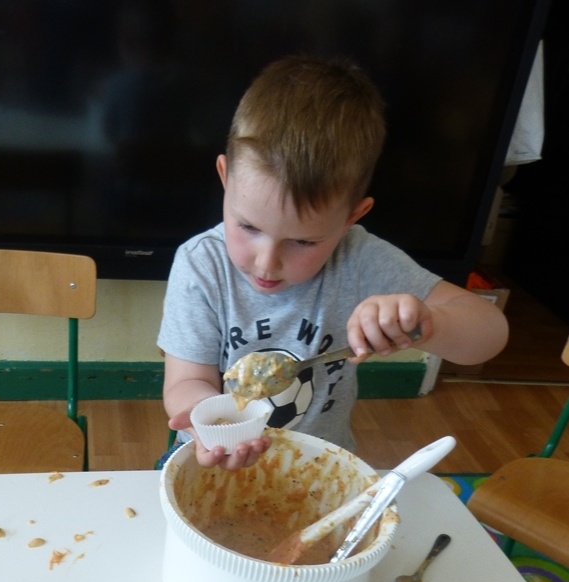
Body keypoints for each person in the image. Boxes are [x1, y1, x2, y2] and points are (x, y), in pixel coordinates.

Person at [157, 55, 508, 471]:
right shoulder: (201, 265)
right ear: (225, 176)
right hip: (208, 459)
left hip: (319, 467)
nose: (267, 263)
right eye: (248, 226)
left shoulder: (359, 260)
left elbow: (489, 334)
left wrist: (429, 323)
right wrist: (215, 427)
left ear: (352, 217)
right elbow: (187, 381)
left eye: (303, 241)